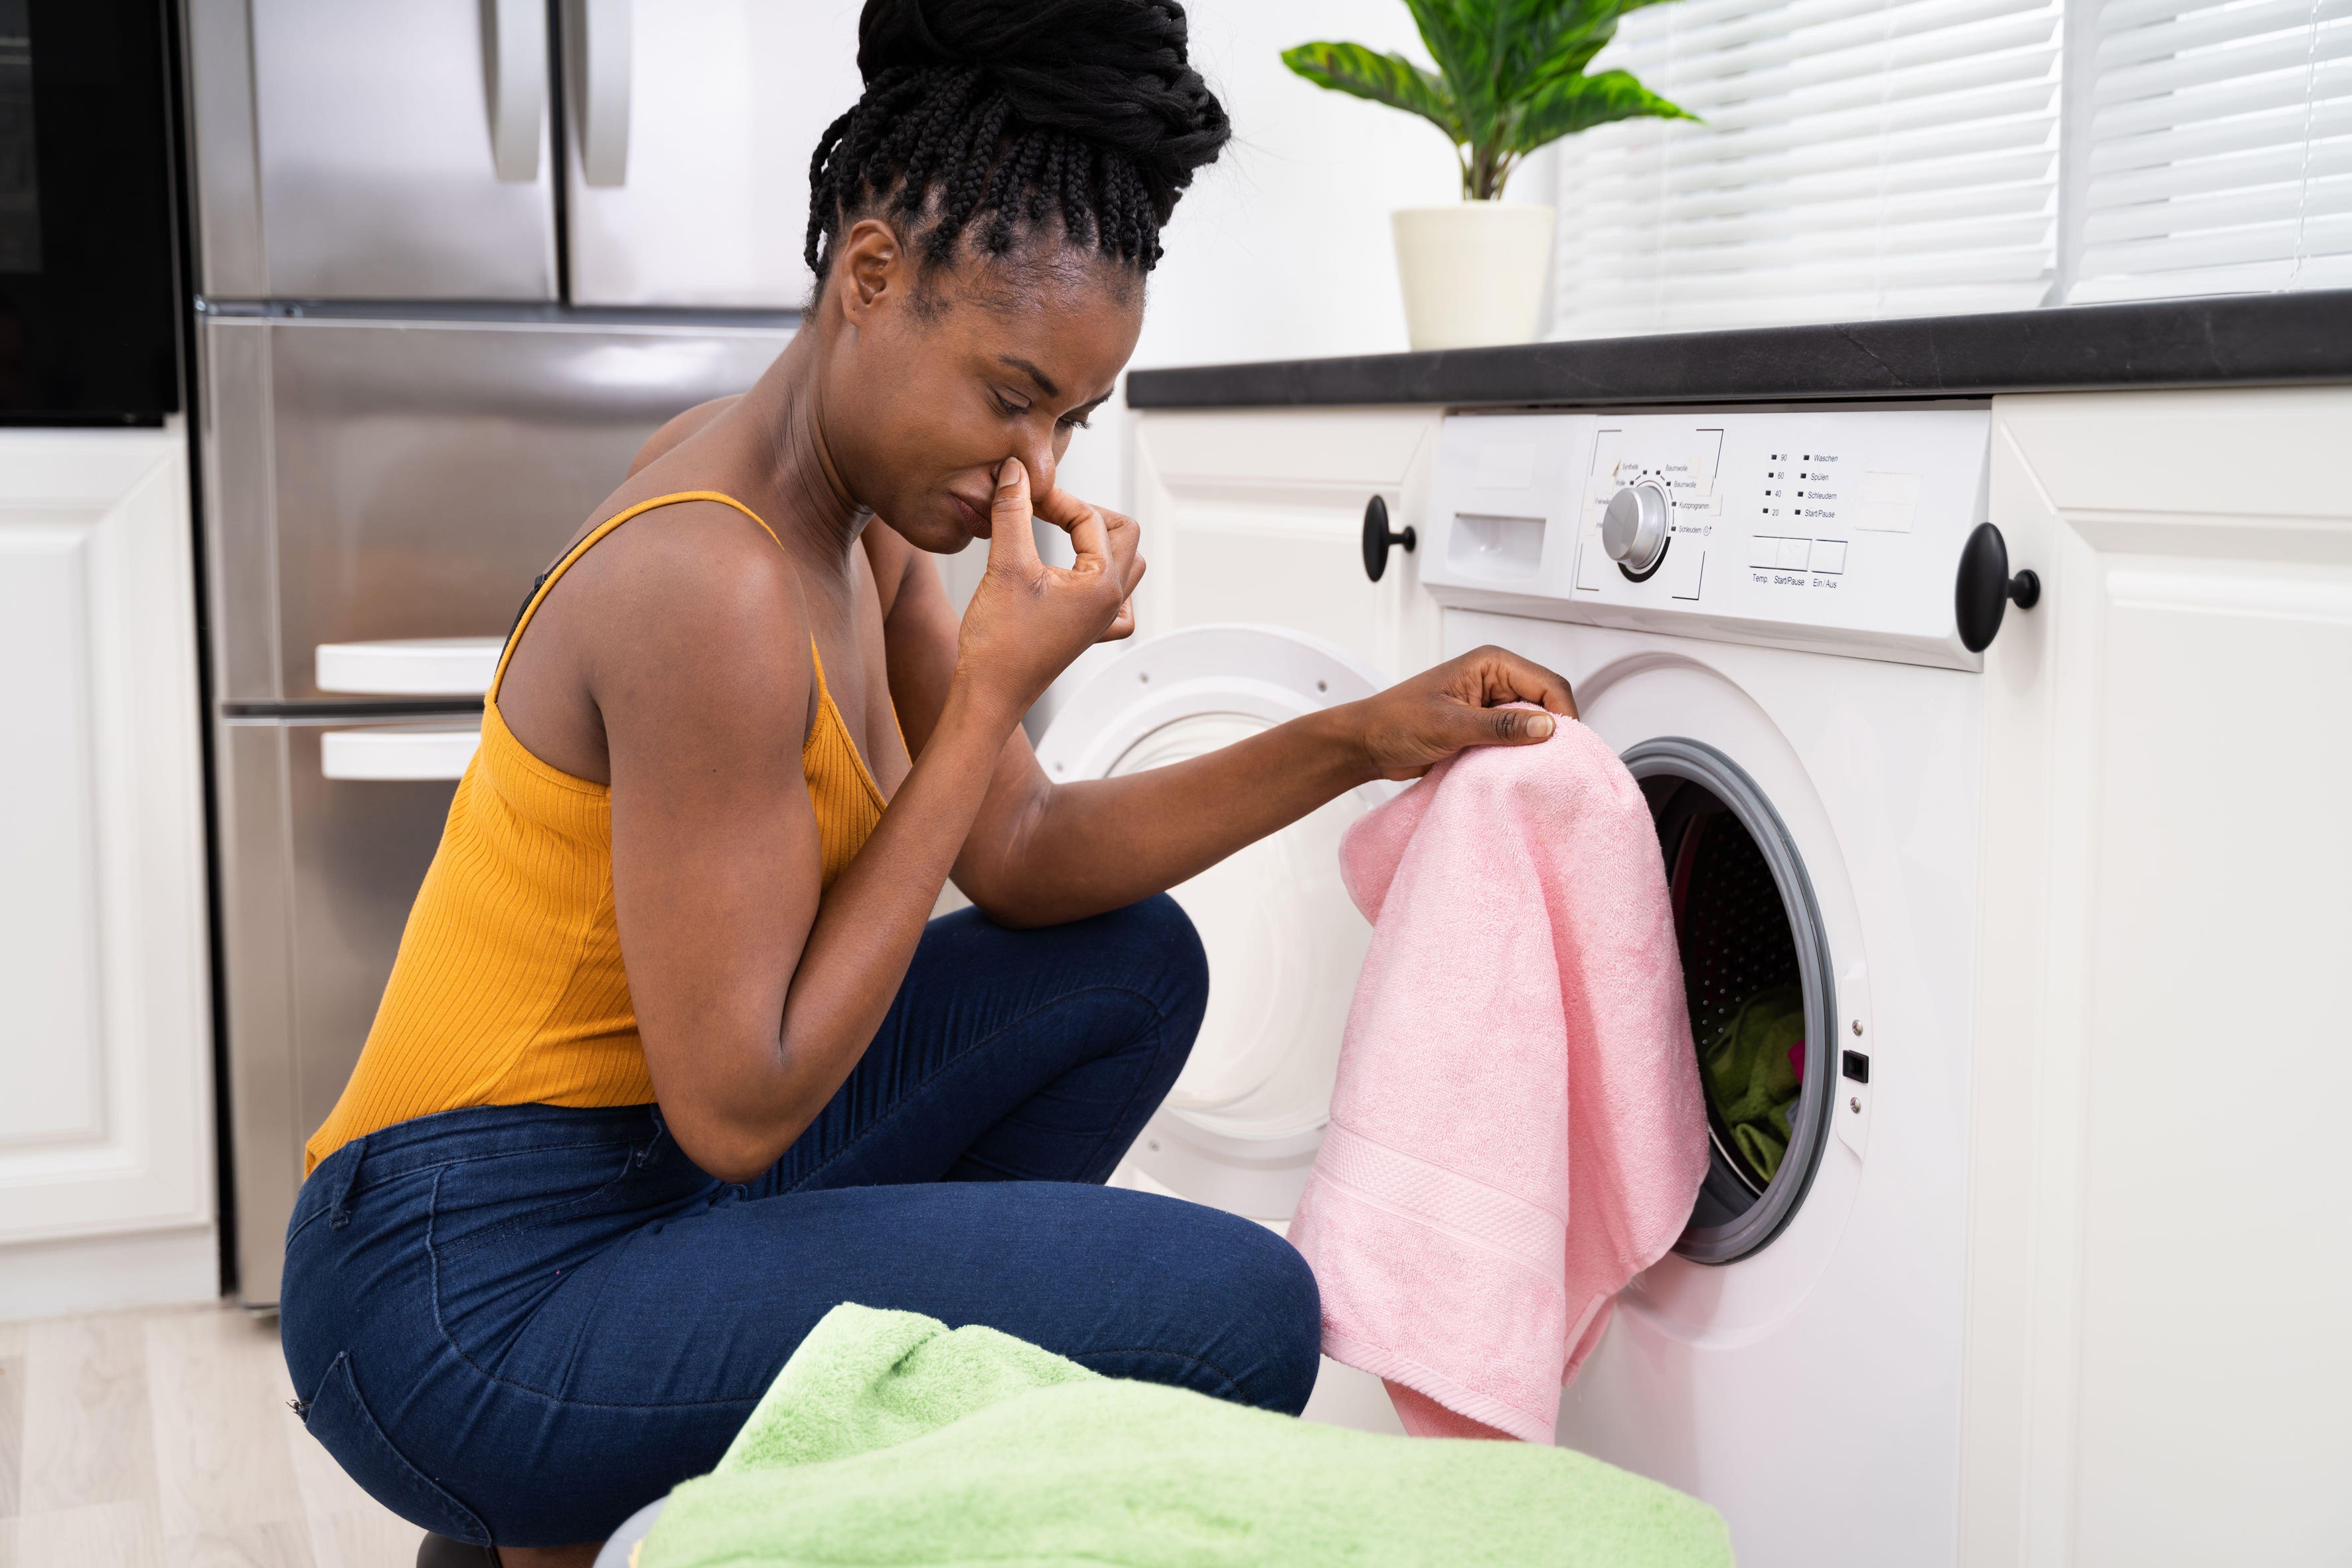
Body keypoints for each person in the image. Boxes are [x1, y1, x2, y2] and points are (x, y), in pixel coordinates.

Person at [277, 1, 1575, 1563]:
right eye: (1008, 392)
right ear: (869, 275)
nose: (1030, 465)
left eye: (1070, 419)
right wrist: (985, 697)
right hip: (459, 1288)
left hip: (633, 1185)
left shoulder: (861, 514)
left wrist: (1368, 731)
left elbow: (1019, 852)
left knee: (1124, 964)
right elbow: (742, 1101)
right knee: (1243, 1312)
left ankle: (670, 1457)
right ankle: (585, 1475)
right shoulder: (713, 582)